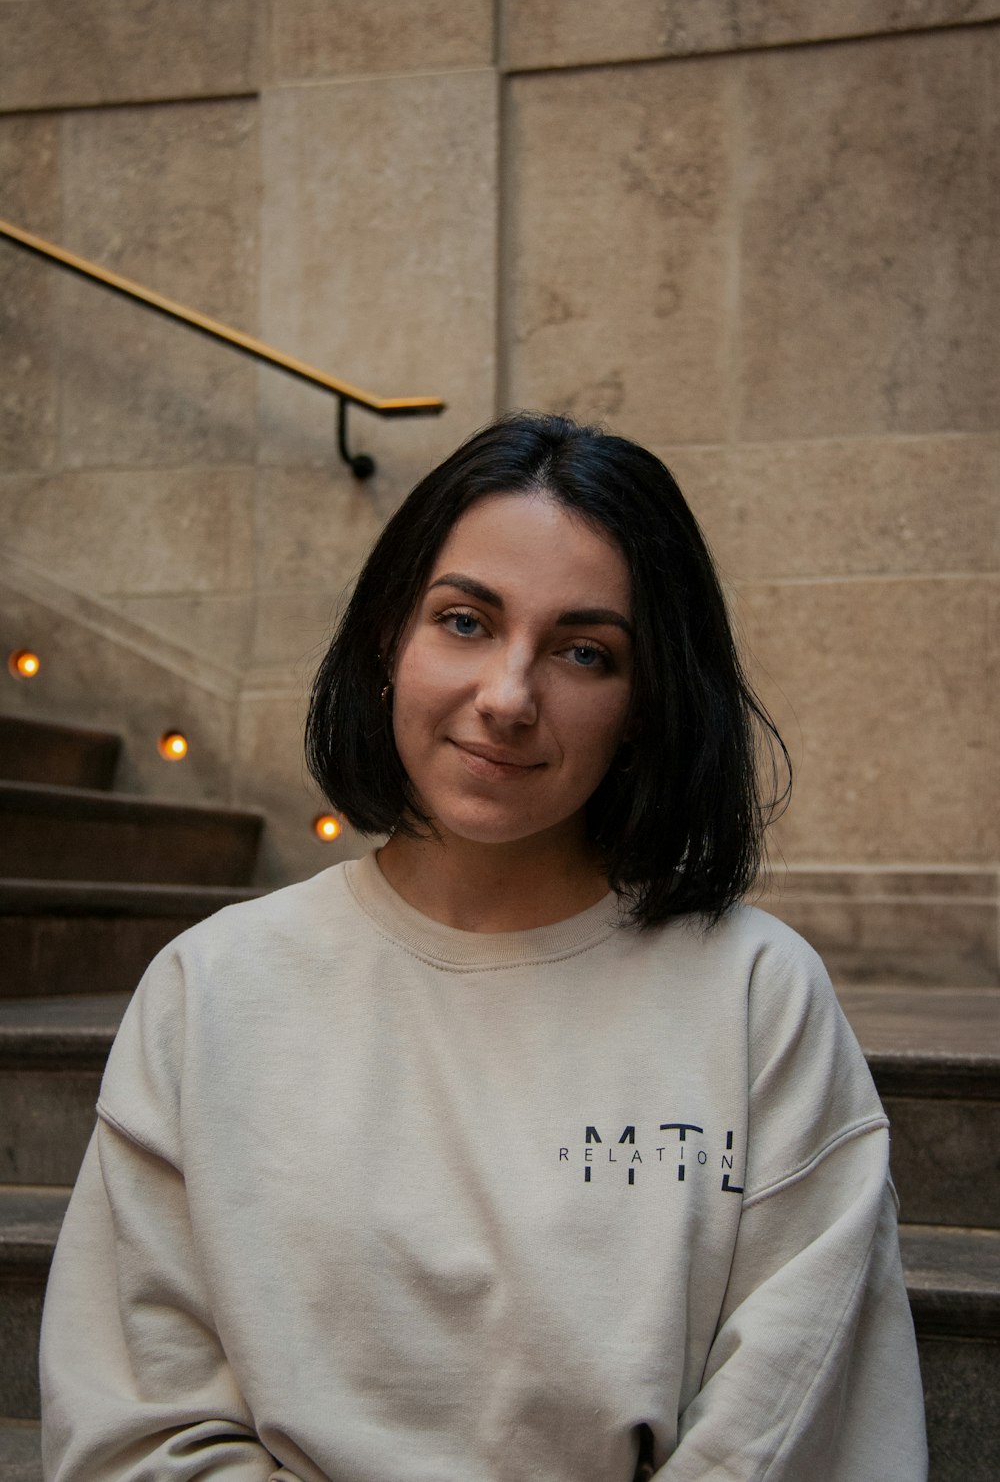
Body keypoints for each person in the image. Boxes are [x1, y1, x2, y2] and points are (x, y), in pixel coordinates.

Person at [40, 413, 927, 1480]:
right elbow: (135, 1426)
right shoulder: (214, 987)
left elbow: (789, 1419)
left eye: (583, 651)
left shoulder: (755, 996)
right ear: (388, 640)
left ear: (646, 703)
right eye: (464, 622)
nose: (507, 698)